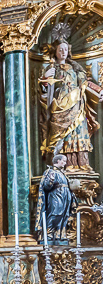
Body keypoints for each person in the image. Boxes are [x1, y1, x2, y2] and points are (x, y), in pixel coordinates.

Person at [39, 29, 101, 168]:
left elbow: (85, 82)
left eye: (65, 49)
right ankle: (64, 165)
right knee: (62, 135)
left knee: (78, 130)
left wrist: (98, 91)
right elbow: (44, 90)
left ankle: (81, 164)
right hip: (60, 104)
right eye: (60, 49)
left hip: (76, 104)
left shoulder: (75, 68)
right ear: (55, 51)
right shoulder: (52, 68)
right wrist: (45, 78)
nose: (63, 52)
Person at [34, 154, 75, 245]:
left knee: (64, 215)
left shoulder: (62, 173)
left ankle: (59, 234)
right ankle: (48, 233)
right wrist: (50, 181)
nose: (65, 163)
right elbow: (46, 187)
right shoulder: (50, 171)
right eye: (63, 161)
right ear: (57, 161)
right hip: (56, 195)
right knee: (55, 213)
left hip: (65, 196)